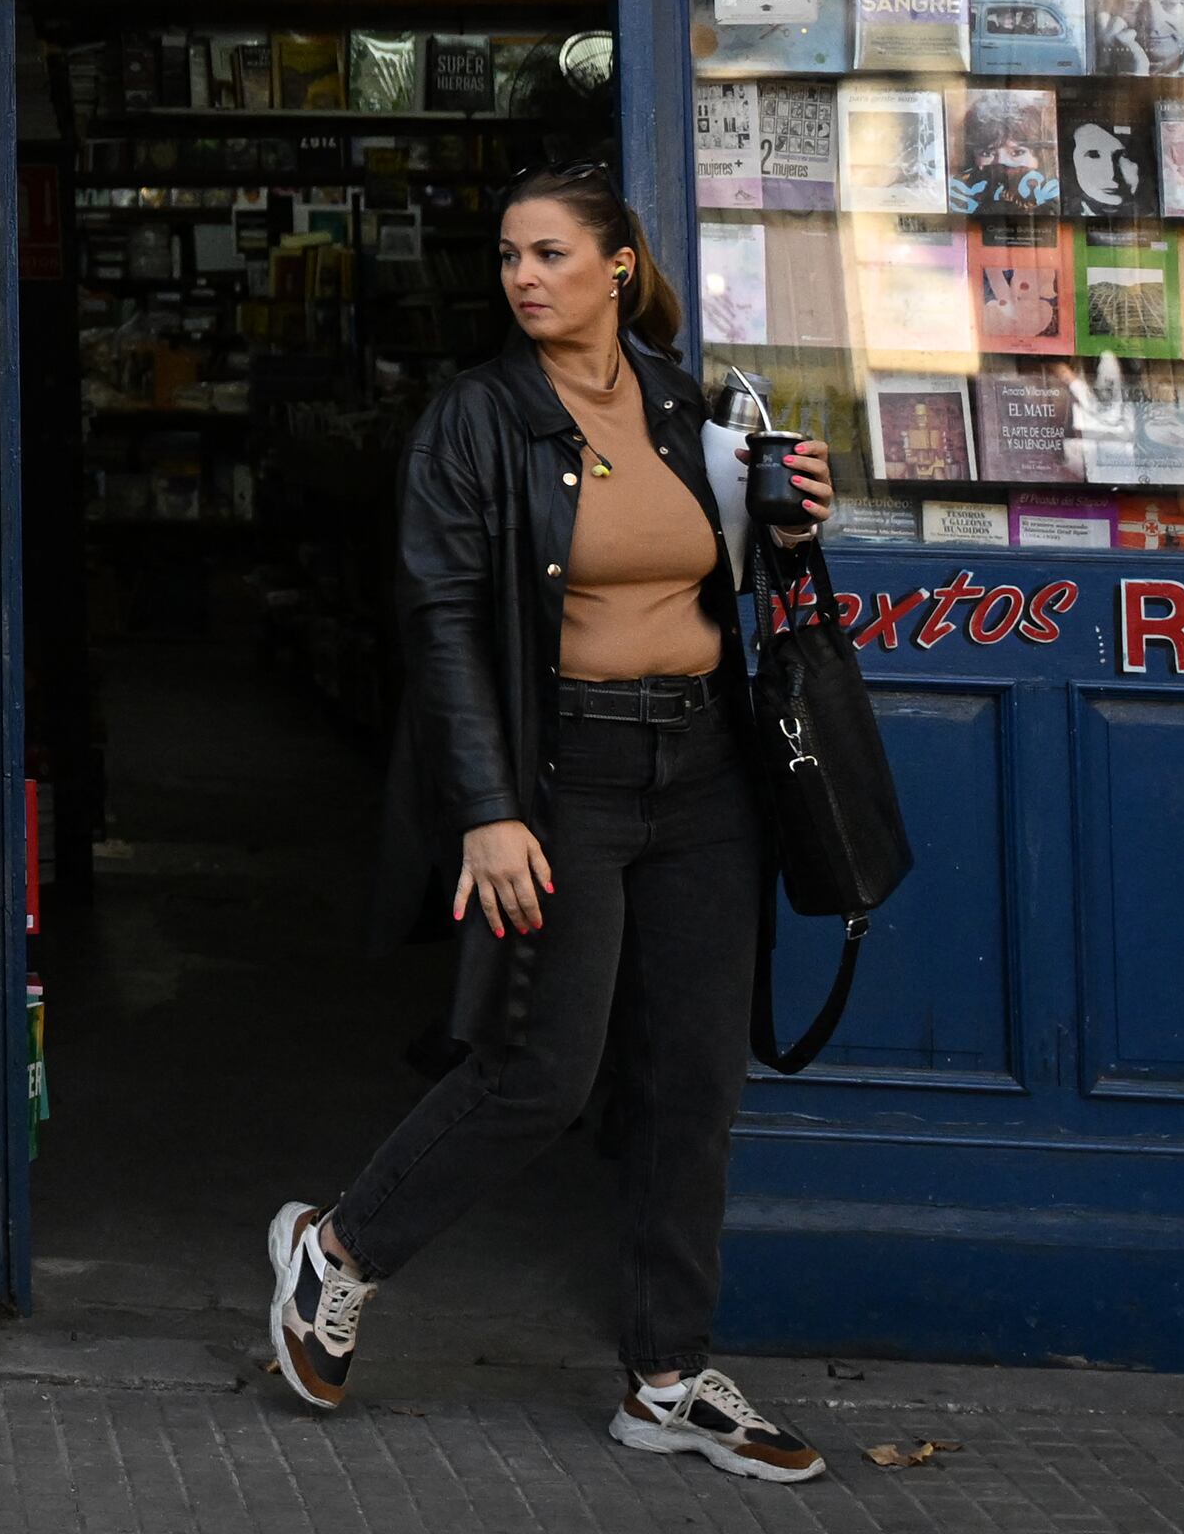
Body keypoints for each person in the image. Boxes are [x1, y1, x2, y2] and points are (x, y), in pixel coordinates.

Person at [262, 165, 836, 1484]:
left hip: (703, 771)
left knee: (694, 1084)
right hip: (563, 773)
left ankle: (668, 1379)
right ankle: (339, 1250)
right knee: (546, 1070)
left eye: (552, 254)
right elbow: (442, 619)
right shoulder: (477, 420)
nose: (525, 277)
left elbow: (750, 566)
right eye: (511, 256)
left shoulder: (693, 400)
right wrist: (489, 810)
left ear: (618, 266)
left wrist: (796, 517)